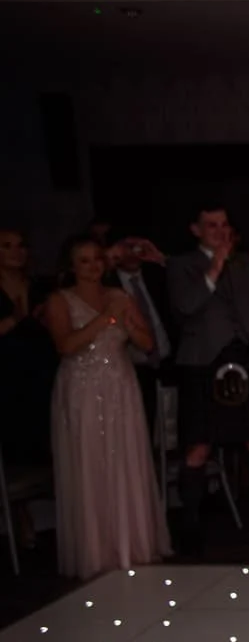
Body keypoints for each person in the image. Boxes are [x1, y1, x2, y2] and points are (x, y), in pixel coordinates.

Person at [44, 236, 169, 578]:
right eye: (84, 260)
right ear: (72, 266)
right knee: (90, 461)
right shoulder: (60, 300)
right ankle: (96, 550)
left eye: (98, 258)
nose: (93, 265)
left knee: (124, 459)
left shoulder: (119, 296)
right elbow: (66, 345)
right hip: (82, 388)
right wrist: (105, 320)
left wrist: (128, 323)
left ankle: (133, 543)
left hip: (120, 385)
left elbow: (147, 344)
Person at [167, 204, 249, 553]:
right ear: (196, 229)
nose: (220, 231)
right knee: (199, 444)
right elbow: (186, 306)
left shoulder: (245, 261)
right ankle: (190, 523)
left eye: (224, 225)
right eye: (211, 225)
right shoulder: (180, 265)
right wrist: (214, 267)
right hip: (203, 361)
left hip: (248, 358)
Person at [0, 225, 57, 467]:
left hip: (44, 370)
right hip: (7, 375)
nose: (16, 251)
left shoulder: (41, 286)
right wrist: (14, 319)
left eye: (21, 245)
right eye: (7, 245)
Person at [108, 231, 174, 434]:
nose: (132, 253)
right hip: (131, 366)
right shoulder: (107, 283)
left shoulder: (158, 275)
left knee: (171, 426)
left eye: (137, 247)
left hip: (168, 362)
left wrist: (159, 257)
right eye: (126, 248)